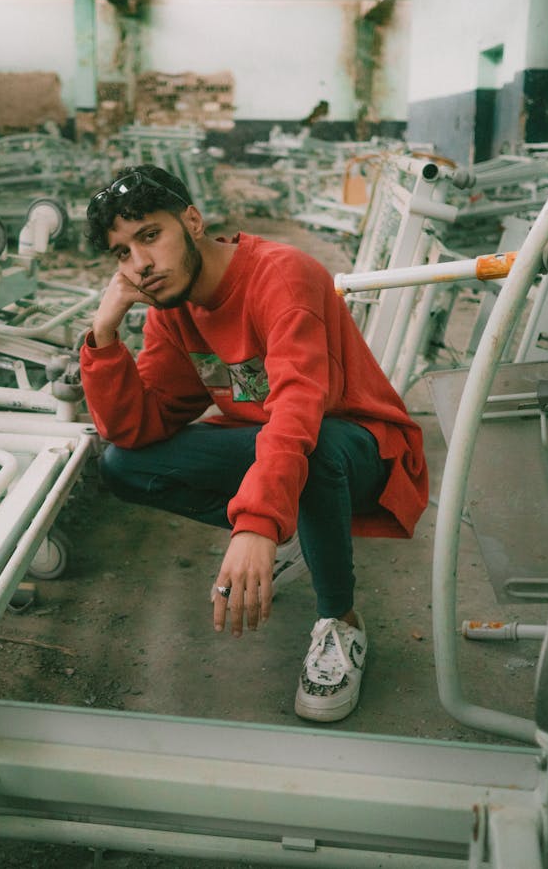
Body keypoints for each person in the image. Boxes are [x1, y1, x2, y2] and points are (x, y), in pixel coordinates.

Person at [79, 164, 428, 723]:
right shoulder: (172, 310)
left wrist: (256, 525)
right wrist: (103, 335)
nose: (139, 264)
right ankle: (294, 525)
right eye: (121, 252)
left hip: (361, 447)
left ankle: (341, 621)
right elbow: (136, 427)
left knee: (310, 450)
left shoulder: (282, 278)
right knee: (121, 465)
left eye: (149, 235)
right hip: (278, 444)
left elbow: (298, 411)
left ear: (191, 220)